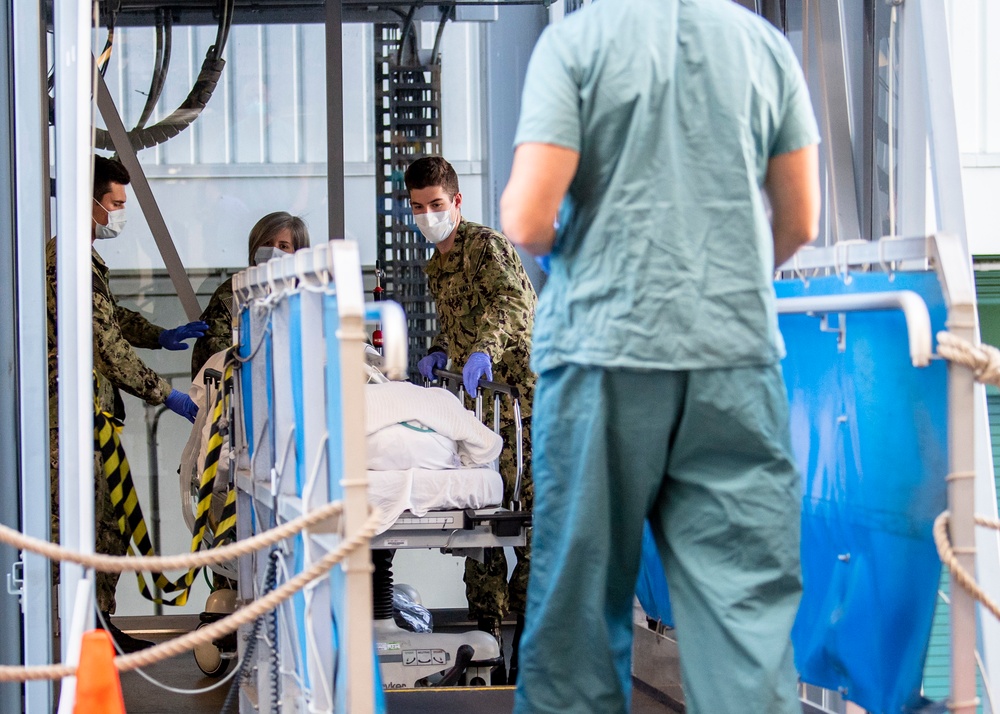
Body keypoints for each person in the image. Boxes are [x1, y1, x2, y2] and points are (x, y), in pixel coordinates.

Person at [500, 1, 821, 712]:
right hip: (734, 359)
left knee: (579, 610)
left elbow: (528, 216)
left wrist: (599, 256)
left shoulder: (578, 43)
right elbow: (800, 219)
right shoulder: (764, 48)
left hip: (603, 353)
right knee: (744, 613)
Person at [46, 155, 206, 652]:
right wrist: (169, 394)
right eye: (114, 204)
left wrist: (159, 334)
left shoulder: (79, 257)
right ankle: (89, 634)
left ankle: (97, 625)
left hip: (87, 416)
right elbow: (108, 349)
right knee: (91, 527)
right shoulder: (66, 261)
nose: (119, 215)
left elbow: (110, 317)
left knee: (107, 525)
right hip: (72, 419)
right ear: (88, 202)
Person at [405, 156, 537, 683]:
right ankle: (484, 646)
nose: (428, 215)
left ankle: (529, 645)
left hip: (523, 410)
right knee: (481, 529)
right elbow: (461, 319)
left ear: (456, 202)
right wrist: (441, 349)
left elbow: (515, 305)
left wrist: (482, 350)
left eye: (437, 205)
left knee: (531, 530)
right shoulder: (440, 262)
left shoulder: (487, 247)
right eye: (418, 207)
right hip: (479, 416)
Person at [191, 211, 310, 378]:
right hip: (239, 390)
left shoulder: (309, 295)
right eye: (267, 244)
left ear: (298, 253)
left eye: (283, 246)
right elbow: (215, 353)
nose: (273, 251)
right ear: (254, 248)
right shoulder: (232, 293)